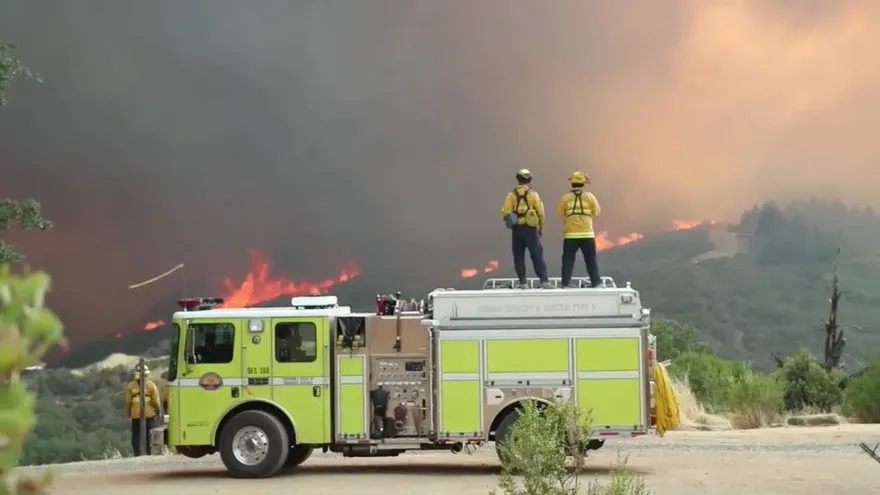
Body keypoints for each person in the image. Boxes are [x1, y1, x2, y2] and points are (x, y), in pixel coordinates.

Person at [500, 169, 550, 288]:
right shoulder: (533, 195)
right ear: (529, 180)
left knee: (518, 256)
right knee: (537, 255)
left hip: (517, 230)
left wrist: (512, 223)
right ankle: (544, 281)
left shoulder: (511, 195)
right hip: (531, 230)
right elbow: (541, 213)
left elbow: (505, 212)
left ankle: (523, 283)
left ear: (518, 179)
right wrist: (541, 227)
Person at [555, 171, 601, 287]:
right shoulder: (590, 197)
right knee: (591, 260)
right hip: (587, 234)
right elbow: (596, 212)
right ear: (583, 184)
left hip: (570, 235)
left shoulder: (566, 198)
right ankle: (596, 282)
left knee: (568, 261)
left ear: (572, 184)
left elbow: (559, 212)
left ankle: (565, 283)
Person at [125, 363, 162, 456]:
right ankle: (149, 453)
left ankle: (137, 454)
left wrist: (128, 414)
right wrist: (158, 412)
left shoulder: (130, 386)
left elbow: (128, 402)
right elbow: (155, 401)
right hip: (149, 415)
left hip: (136, 415)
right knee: (150, 435)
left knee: (136, 436)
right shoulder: (151, 385)